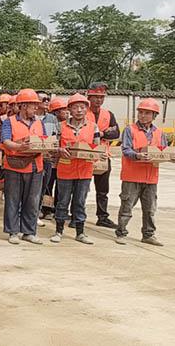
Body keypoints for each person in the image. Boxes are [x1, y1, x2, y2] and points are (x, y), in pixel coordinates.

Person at [115, 98, 174, 246]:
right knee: (127, 207)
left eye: (147, 113)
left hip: (151, 178)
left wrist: (171, 157)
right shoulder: (130, 130)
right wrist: (137, 155)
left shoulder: (159, 133)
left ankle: (148, 235)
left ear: (154, 115)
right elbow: (126, 149)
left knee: (150, 209)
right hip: (132, 176)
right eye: (141, 112)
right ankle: (121, 233)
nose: (142, 115)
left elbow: (163, 152)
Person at [51, 93, 99, 245]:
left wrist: (96, 155)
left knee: (80, 202)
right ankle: (58, 231)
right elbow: (52, 145)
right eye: (75, 107)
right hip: (65, 170)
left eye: (82, 107)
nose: (79, 110)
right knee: (62, 202)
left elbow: (97, 147)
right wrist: (59, 150)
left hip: (84, 171)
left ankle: (80, 232)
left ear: (86, 109)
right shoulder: (60, 126)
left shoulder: (93, 127)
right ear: (69, 109)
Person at [1, 89, 45, 245]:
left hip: (35, 166)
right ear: (24, 106)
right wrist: (20, 147)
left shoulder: (39, 122)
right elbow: (6, 141)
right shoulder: (9, 122)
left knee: (32, 201)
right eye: (33, 105)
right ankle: (13, 231)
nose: (36, 108)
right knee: (13, 200)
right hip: (14, 166)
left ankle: (29, 232)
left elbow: (44, 140)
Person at [86, 82, 120, 229]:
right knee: (81, 188)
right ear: (89, 97)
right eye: (95, 97)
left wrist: (101, 134)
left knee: (102, 190)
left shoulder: (108, 114)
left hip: (103, 156)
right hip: (86, 155)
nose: (99, 100)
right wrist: (105, 132)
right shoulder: (82, 112)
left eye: (101, 97)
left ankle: (102, 216)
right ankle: (77, 214)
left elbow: (116, 133)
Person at [40, 97, 68, 220]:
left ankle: (56, 209)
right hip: (49, 160)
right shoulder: (51, 121)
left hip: (61, 161)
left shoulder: (65, 124)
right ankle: (46, 209)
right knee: (48, 186)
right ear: (56, 111)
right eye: (63, 110)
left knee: (60, 188)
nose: (67, 112)